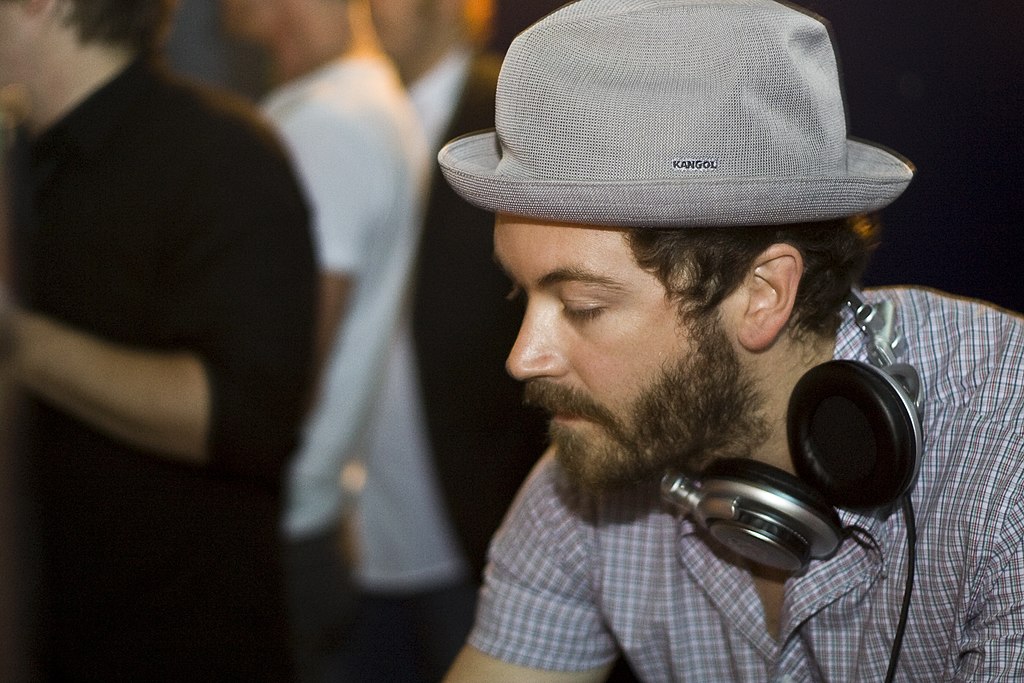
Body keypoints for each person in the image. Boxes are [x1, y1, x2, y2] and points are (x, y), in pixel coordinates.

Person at [435, 0, 1024, 680]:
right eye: (521, 292)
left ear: (764, 293)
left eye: (582, 304)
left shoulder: (1002, 465)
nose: (522, 356)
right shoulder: (590, 478)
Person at [0, 0, 318, 679]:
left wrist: (17, 343)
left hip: (178, 643)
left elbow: (245, 418)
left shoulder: (222, 156)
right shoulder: (22, 156)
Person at [220, 0, 429, 680]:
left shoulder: (332, 121)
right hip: (302, 511)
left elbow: (286, 365)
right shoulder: (361, 100)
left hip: (276, 521)